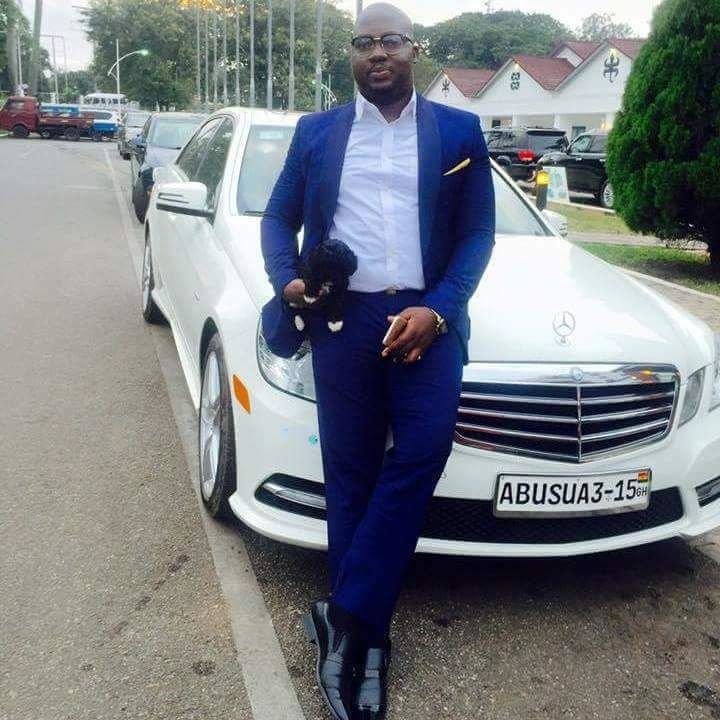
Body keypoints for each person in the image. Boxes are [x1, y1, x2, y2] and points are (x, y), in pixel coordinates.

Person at [261, 3, 495, 718]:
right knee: (352, 476)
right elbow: (278, 217)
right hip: (345, 319)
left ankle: (344, 613)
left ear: (413, 50)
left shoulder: (458, 131)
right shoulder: (317, 132)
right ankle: (368, 638)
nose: (378, 53)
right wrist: (287, 279)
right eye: (364, 43)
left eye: (391, 40)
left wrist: (440, 309)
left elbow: (477, 235)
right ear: (353, 56)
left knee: (423, 449)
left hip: (425, 316)